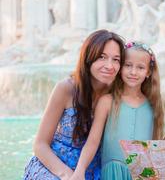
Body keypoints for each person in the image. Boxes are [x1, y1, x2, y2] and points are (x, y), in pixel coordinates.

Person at [23, 29, 125, 180]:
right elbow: (40, 145)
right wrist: (66, 174)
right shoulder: (66, 88)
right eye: (102, 57)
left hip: (93, 169)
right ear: (88, 58)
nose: (109, 66)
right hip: (54, 167)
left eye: (116, 59)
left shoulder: (117, 96)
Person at [69, 41, 165, 180]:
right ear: (120, 68)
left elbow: (156, 144)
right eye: (128, 65)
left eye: (140, 67)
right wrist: (80, 170)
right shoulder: (107, 102)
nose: (133, 72)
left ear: (148, 72)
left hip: (143, 175)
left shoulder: (153, 105)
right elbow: (93, 141)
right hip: (113, 174)